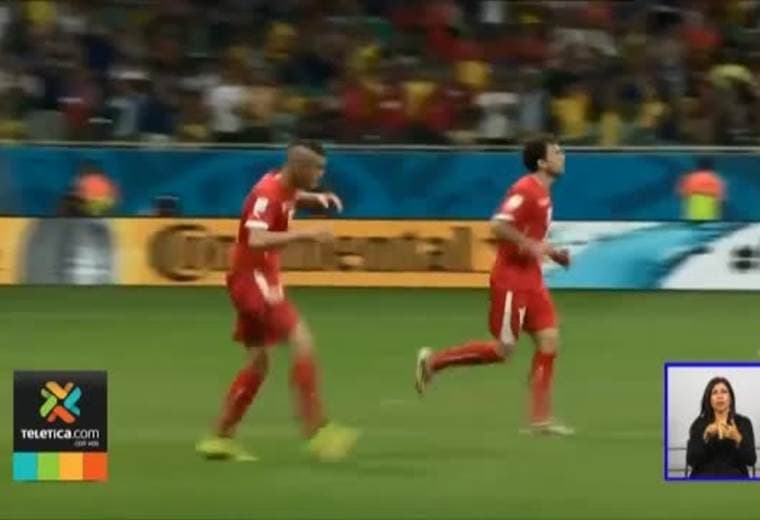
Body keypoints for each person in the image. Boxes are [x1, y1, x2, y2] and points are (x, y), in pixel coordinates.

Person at [196, 140, 359, 462]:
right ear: (298, 166)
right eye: (316, 169)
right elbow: (256, 238)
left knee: (258, 363)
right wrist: (306, 234)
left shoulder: (281, 184)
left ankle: (219, 438)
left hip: (251, 277)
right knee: (302, 341)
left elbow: (289, 195)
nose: (320, 174)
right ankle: (317, 431)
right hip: (254, 280)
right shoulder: (266, 194)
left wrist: (314, 198)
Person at [415, 134, 574, 435]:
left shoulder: (543, 193)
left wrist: (554, 254)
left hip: (532, 279)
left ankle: (540, 420)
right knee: (503, 350)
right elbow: (498, 224)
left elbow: (532, 238)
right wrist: (529, 243)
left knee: (550, 341)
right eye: (557, 152)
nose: (563, 155)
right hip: (511, 280)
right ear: (542, 162)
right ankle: (434, 362)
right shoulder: (525, 189)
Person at [686, 377, 756, 478]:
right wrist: (705, 436)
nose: (720, 396)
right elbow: (691, 460)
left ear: (731, 398)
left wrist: (737, 437)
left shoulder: (743, 422)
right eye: (714, 393)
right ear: (709, 399)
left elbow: (751, 460)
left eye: (724, 392)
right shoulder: (699, 424)